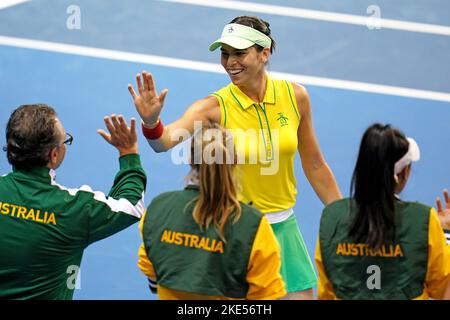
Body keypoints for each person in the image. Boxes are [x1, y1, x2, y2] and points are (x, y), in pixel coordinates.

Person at [128, 15, 342, 299]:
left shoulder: (295, 97)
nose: (230, 62)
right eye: (225, 54)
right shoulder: (213, 108)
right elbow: (165, 142)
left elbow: (314, 164)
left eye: (240, 53)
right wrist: (152, 122)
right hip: (235, 232)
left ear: (264, 53)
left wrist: (343, 216)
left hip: (284, 229)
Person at [0, 104, 146, 299]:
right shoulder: (74, 209)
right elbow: (131, 205)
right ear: (54, 155)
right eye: (64, 141)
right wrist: (128, 153)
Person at [137, 123, 286, 299]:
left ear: (190, 160)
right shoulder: (254, 227)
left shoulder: (158, 210)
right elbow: (267, 296)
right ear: (235, 160)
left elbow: (153, 279)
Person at [315, 123, 450, 299]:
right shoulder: (424, 221)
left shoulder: (332, 218)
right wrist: (445, 234)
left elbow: (327, 293)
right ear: (402, 175)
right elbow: (444, 290)